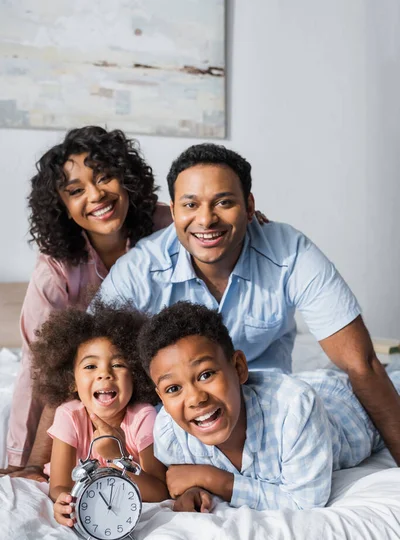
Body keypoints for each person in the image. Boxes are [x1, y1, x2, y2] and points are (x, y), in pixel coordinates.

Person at [96, 142, 400, 464]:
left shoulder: (289, 252)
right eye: (190, 205)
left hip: (274, 412)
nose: (206, 219)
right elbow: (89, 362)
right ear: (173, 213)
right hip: (189, 419)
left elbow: (361, 364)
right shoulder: (142, 268)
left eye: (224, 202)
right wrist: (37, 462)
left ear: (249, 206)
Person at [3, 125, 171, 478]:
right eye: (76, 190)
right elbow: (37, 364)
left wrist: (253, 225)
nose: (95, 196)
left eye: (105, 177)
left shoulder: (168, 225)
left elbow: (211, 226)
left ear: (127, 180)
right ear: (62, 206)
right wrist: (24, 462)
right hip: (94, 385)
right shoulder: (56, 268)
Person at [138, 302, 397, 512]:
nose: (195, 398)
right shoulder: (170, 434)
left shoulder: (295, 411)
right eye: (173, 389)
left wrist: (217, 481)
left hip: (345, 402)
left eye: (206, 374)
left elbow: (305, 502)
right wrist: (194, 491)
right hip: (293, 387)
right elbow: (183, 481)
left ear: (239, 367)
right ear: (160, 396)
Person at [30, 299, 168, 527]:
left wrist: (116, 457)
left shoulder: (143, 417)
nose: (105, 374)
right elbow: (59, 485)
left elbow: (159, 491)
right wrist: (65, 502)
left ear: (135, 374)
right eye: (90, 366)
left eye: (118, 365)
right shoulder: (69, 415)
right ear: (71, 381)